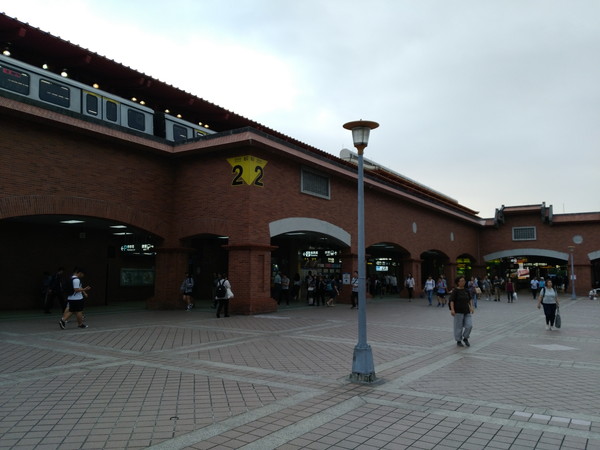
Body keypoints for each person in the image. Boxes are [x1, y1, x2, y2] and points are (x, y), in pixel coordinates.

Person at [449, 276, 474, 347]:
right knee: (458, 327)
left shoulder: (466, 290)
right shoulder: (455, 291)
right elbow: (451, 301)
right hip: (458, 311)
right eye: (462, 281)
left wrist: (471, 307)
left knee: (469, 325)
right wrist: (452, 309)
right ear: (458, 282)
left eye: (464, 281)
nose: (463, 282)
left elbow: (470, 299)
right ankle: (458, 340)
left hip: (467, 311)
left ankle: (465, 337)